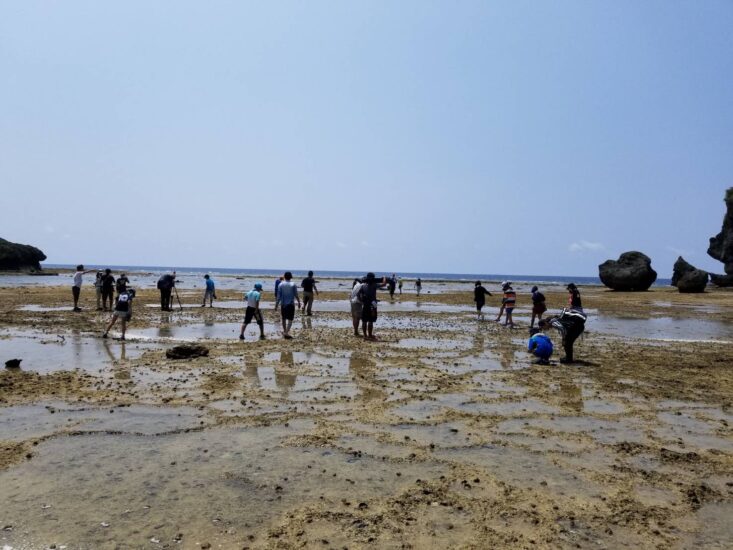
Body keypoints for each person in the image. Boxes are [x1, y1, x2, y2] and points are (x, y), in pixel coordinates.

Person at [360, 272, 387, 340]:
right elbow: (384, 284)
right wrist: (384, 277)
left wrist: (362, 301)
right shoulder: (374, 285)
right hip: (372, 305)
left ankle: (365, 335)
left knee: (364, 320)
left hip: (365, 305)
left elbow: (360, 295)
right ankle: (370, 335)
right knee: (371, 321)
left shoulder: (363, 285)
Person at [276, 271, 301, 339]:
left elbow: (278, 296)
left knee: (283, 318)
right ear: (291, 277)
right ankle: (286, 332)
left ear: (284, 277)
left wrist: (276, 305)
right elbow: (296, 294)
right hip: (290, 304)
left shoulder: (280, 284)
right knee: (290, 319)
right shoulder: (293, 284)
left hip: (283, 304)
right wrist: (299, 302)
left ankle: (285, 331)